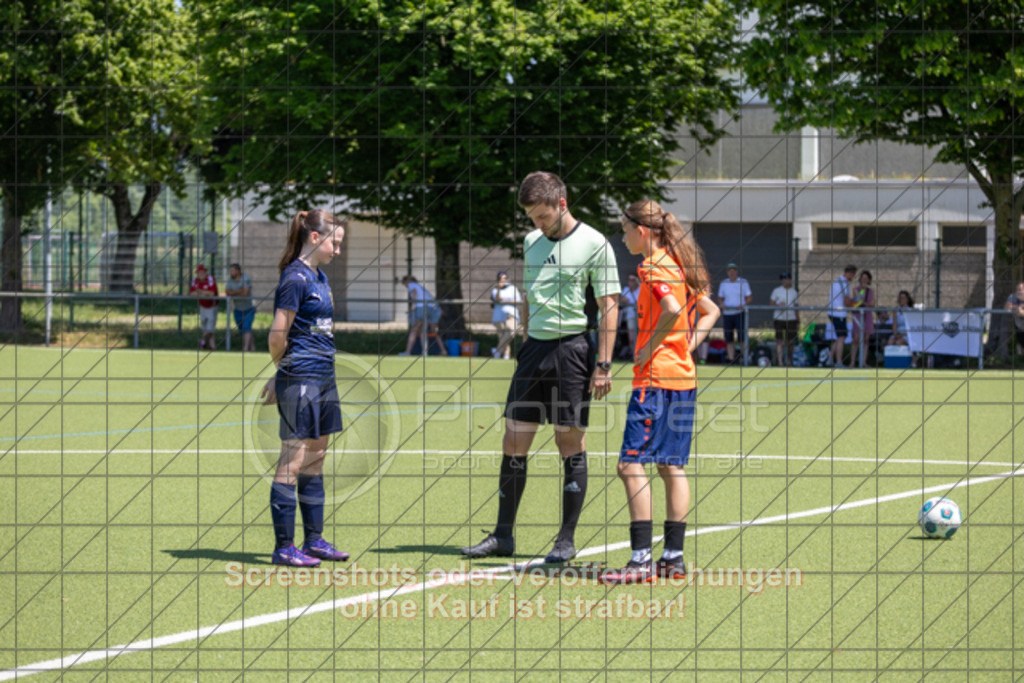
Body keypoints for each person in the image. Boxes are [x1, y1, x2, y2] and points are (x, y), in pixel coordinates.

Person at [460, 170, 619, 563]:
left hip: (574, 353)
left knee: (570, 443)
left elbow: (609, 306)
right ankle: (503, 536)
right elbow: (530, 294)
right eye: (531, 217)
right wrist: (526, 338)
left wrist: (603, 364)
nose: (536, 224)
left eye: (542, 216)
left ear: (561, 204)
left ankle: (565, 540)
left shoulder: (595, 244)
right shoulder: (531, 242)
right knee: (513, 441)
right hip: (534, 352)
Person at [600, 199, 720, 583]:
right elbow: (711, 310)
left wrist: (648, 348)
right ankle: (672, 558)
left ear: (642, 231)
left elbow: (670, 307)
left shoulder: (652, 266)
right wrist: (688, 345)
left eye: (624, 230)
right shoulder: (679, 264)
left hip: (655, 380)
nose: (622, 238)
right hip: (683, 379)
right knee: (671, 465)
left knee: (629, 465)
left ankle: (639, 563)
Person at [260, 209, 350, 567]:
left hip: (324, 377)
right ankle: (284, 547)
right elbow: (277, 337)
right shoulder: (295, 278)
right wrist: (284, 372)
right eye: (335, 243)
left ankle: (314, 541)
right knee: (292, 461)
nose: (338, 250)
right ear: (315, 238)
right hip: (302, 378)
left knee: (316, 458)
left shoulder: (320, 277)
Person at [399, 275, 446, 356]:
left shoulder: (412, 285)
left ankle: (408, 352)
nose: (406, 286)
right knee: (429, 331)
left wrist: (413, 305)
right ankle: (442, 351)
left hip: (422, 307)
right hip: (433, 309)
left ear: (407, 281)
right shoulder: (421, 287)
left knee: (414, 329)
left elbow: (414, 292)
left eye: (405, 284)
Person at [716, 263, 751, 363]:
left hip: (739, 313)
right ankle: (731, 359)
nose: (732, 273)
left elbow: (749, 297)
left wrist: (743, 304)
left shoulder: (743, 282)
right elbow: (720, 297)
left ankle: (744, 359)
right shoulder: (723, 283)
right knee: (729, 337)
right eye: (730, 271)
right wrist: (722, 303)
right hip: (727, 314)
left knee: (742, 337)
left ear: (736, 272)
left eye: (733, 271)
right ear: (727, 273)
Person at [828, 264, 857, 368]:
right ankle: (839, 362)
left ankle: (830, 358)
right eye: (853, 275)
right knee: (841, 337)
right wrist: (855, 304)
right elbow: (846, 301)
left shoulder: (837, 281)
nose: (853, 278)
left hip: (834, 313)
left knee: (840, 337)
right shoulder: (843, 283)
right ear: (850, 273)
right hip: (838, 313)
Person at [490, 270, 522, 359]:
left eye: (504, 278)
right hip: (498, 316)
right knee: (502, 338)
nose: (502, 280)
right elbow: (497, 298)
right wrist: (499, 289)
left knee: (510, 334)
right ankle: (506, 356)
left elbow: (518, 300)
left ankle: (496, 351)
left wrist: (506, 301)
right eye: (500, 279)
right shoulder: (495, 289)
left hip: (511, 315)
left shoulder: (513, 288)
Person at [769, 272, 799, 366]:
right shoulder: (776, 291)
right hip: (779, 319)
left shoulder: (794, 292)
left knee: (790, 342)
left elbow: (797, 307)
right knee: (779, 340)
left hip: (791, 319)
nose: (784, 281)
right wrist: (778, 305)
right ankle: (780, 362)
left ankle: (789, 360)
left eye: (786, 279)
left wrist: (798, 320)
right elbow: (771, 303)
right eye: (783, 279)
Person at [225, 263, 256, 352]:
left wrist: (233, 292)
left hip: (248, 308)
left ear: (238, 271)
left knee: (247, 326)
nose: (230, 272)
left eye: (232, 270)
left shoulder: (245, 278)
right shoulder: (229, 280)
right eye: (230, 270)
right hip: (237, 308)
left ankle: (245, 348)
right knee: (243, 329)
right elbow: (227, 292)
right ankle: (252, 346)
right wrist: (238, 291)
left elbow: (245, 293)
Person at [849, 270, 875, 367]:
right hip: (858, 316)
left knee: (866, 339)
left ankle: (863, 361)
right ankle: (852, 361)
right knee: (856, 338)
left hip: (867, 316)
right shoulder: (856, 289)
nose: (864, 280)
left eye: (866, 278)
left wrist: (864, 302)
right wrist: (862, 299)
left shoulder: (871, 291)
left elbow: (872, 304)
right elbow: (857, 301)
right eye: (863, 278)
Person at [189, 264, 219, 350]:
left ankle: (205, 342)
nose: (201, 274)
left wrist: (200, 291)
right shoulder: (195, 280)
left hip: (212, 306)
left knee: (210, 328)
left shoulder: (210, 279)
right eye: (199, 272)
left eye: (203, 272)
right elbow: (192, 293)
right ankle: (209, 345)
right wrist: (205, 293)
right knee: (204, 326)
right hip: (202, 305)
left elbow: (212, 293)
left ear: (206, 272)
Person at [620, 274, 641, 356]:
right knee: (631, 338)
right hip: (630, 316)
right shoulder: (626, 289)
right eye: (629, 280)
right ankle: (634, 355)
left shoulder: (641, 289)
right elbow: (620, 299)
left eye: (633, 280)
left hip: (640, 316)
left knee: (641, 337)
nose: (631, 282)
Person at [1005, 282, 1024, 353]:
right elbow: (1007, 307)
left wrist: (1021, 308)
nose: (1018, 292)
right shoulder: (1012, 297)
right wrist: (1017, 307)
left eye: (1020, 289)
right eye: (1017, 289)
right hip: (1019, 327)